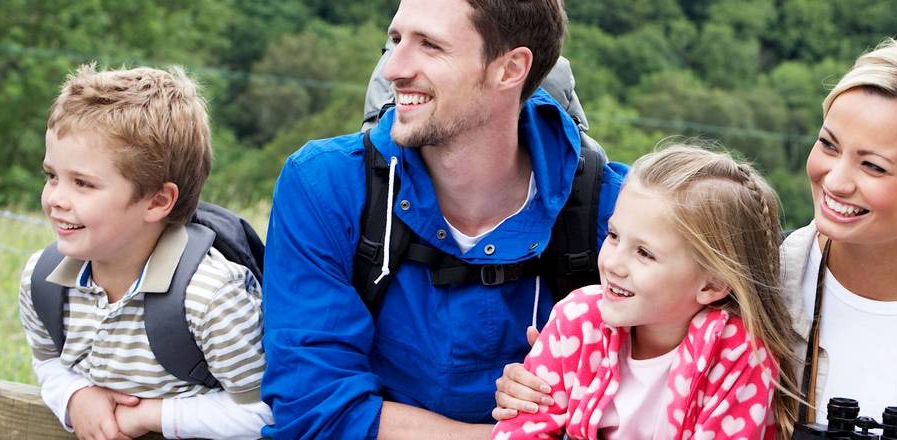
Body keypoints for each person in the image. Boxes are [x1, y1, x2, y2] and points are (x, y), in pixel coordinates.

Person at [493, 34, 897, 438]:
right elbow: (614, 354)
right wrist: (538, 389)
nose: (837, 179)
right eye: (828, 145)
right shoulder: (750, 288)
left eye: (873, 166)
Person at [259, 0, 626, 438]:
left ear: (510, 69)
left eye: (430, 45)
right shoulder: (327, 185)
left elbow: (669, 392)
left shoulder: (616, 213)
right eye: (395, 40)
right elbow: (314, 407)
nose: (393, 68)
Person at [18, 64, 271, 440]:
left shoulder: (211, 298)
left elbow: (264, 412)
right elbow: (49, 363)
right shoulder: (43, 279)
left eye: (83, 184)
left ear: (157, 201)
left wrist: (151, 416)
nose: (55, 198)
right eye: (52, 175)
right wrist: (75, 395)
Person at [491, 145, 795, 439]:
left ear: (711, 285)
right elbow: (521, 428)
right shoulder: (578, 320)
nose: (613, 263)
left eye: (644, 253)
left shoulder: (740, 354)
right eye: (613, 236)